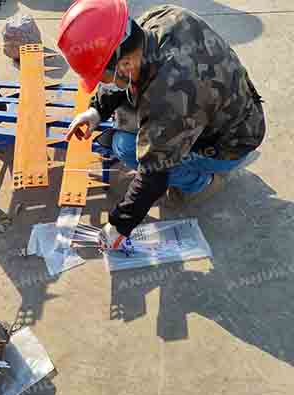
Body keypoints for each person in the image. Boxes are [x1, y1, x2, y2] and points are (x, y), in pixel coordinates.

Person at [57, 0, 266, 253]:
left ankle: (202, 184)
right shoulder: (159, 19)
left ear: (125, 65)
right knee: (126, 131)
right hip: (234, 113)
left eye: (104, 77)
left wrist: (119, 226)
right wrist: (96, 110)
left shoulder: (169, 96)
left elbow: (154, 172)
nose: (106, 83)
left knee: (127, 149)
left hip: (229, 143)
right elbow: (122, 78)